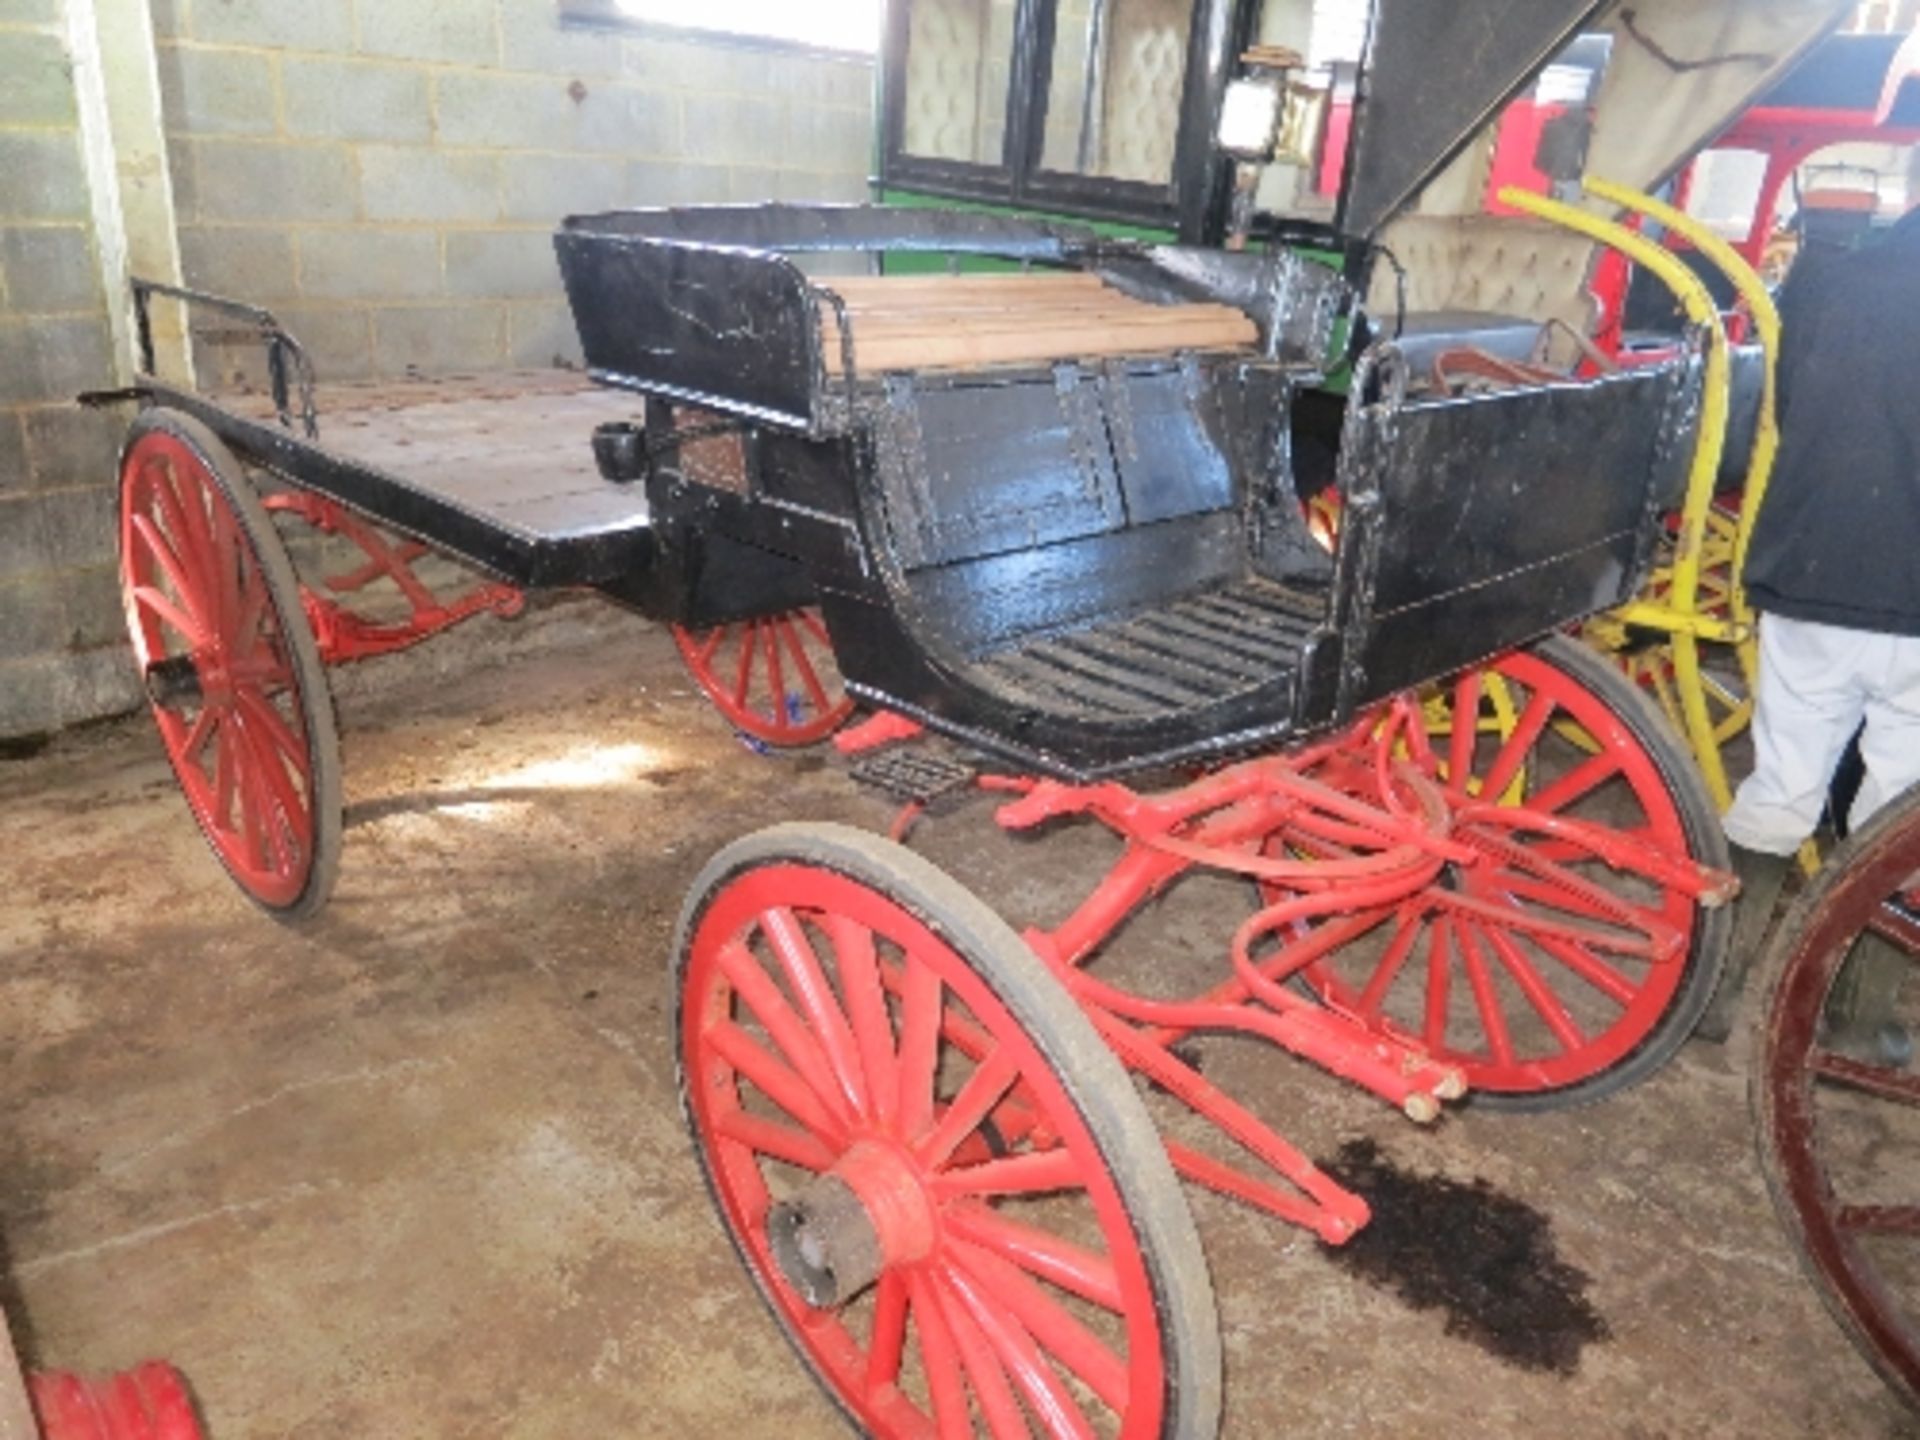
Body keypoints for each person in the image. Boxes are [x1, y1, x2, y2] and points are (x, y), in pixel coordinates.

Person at [1697, 200, 1920, 1050]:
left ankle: (1712, 997)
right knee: (1895, 815)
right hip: (1913, 596)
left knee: (1780, 782)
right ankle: (1853, 1019)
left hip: (1812, 564)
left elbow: (1788, 408)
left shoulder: (1828, 272)